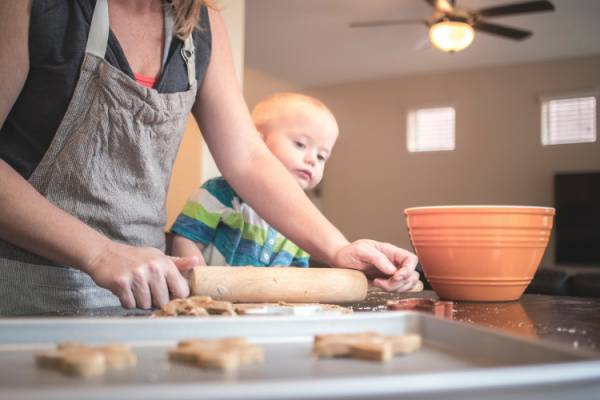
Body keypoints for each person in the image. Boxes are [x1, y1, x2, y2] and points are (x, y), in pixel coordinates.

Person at [0, 0, 419, 316]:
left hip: (150, 296)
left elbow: (248, 159)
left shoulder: (202, 29)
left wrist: (339, 249)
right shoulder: (31, 7)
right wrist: (99, 253)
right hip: (22, 289)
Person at [170, 92, 338, 267]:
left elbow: (298, 277)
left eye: (321, 156)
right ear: (257, 141)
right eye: (300, 144)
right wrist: (198, 279)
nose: (312, 160)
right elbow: (186, 241)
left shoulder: (304, 220)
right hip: (210, 294)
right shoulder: (219, 193)